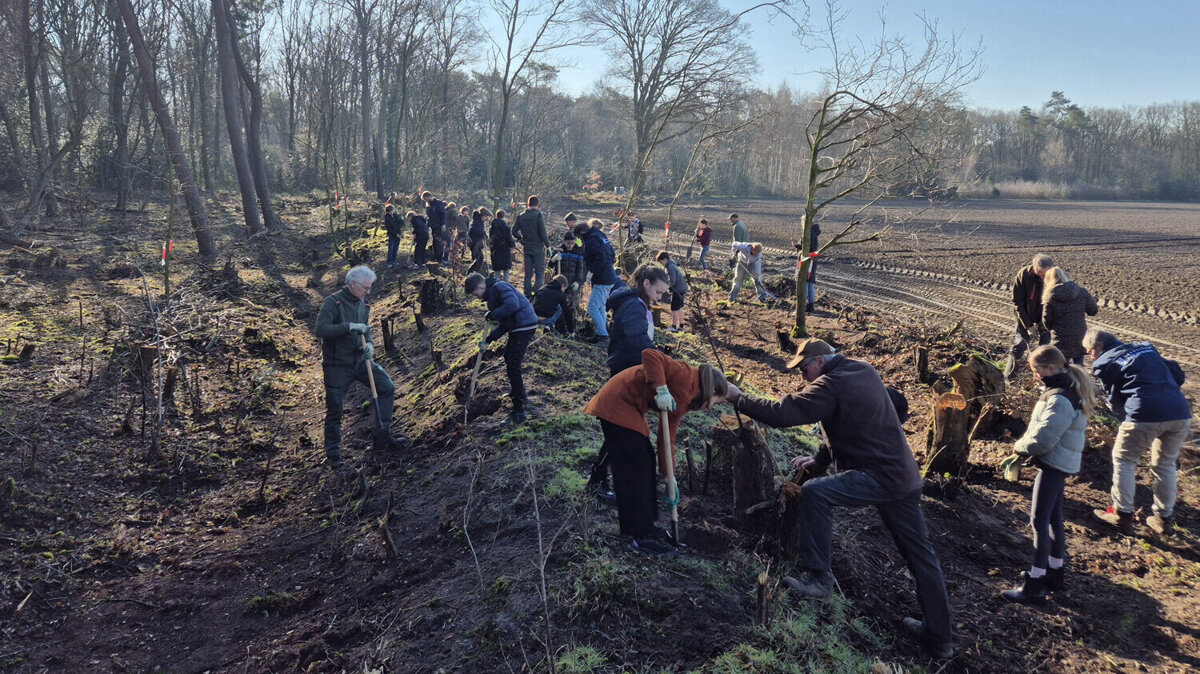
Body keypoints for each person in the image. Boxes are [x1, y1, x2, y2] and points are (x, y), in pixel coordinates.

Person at [724, 338, 954, 659]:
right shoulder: (861, 370)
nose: (803, 376)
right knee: (921, 557)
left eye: (804, 369)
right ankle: (941, 637)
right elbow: (844, 422)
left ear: (819, 362)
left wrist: (739, 398)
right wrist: (819, 462)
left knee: (816, 493)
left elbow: (784, 413)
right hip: (904, 477)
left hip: (880, 476)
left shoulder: (831, 383)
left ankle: (819, 578)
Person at [584, 348, 729, 558]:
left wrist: (669, 476)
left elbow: (666, 437)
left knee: (646, 461)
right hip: (618, 402)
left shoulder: (686, 401)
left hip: (631, 408)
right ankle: (639, 537)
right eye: (716, 401)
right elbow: (651, 354)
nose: (711, 407)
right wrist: (661, 389)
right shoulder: (685, 375)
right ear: (710, 389)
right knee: (635, 468)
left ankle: (647, 525)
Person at [999, 345, 1097, 604]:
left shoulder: (1060, 398)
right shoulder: (1066, 389)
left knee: (1038, 521)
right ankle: (1055, 573)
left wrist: (1020, 447)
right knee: (1053, 519)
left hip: (1053, 463)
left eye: (1035, 371)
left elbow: (1044, 438)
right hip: (1060, 461)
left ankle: (1035, 584)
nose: (1035, 376)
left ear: (1049, 369)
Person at [1086, 329, 1191, 535]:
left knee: (1124, 458)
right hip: (1179, 411)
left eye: (1089, 351)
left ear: (1098, 347)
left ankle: (1121, 514)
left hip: (1144, 412)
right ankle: (1163, 519)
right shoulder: (1145, 347)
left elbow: (1115, 399)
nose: (1090, 357)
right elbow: (1177, 374)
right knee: (1165, 465)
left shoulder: (1104, 362)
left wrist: (1124, 420)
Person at [314, 266, 408, 469]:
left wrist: (371, 345)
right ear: (352, 284)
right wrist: (348, 327)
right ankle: (334, 456)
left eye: (370, 288)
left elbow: (366, 330)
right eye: (365, 287)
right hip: (337, 365)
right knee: (335, 410)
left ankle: (382, 438)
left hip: (361, 362)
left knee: (387, 387)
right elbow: (320, 329)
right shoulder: (333, 302)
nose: (368, 292)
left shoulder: (364, 303)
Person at [465, 272, 538, 425]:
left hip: (524, 325)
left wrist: (493, 314)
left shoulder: (500, 287)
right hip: (517, 327)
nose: (476, 296)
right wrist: (490, 339)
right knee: (508, 358)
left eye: (475, 293)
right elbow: (505, 323)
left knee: (513, 365)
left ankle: (519, 411)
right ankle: (520, 393)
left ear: (481, 286)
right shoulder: (492, 297)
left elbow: (513, 306)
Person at [606, 264, 669, 376]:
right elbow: (637, 338)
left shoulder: (639, 302)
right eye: (658, 292)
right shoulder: (634, 305)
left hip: (630, 364)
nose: (659, 298)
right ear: (646, 283)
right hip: (626, 367)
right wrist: (657, 356)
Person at [1004, 254, 1054, 381]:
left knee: (1044, 349)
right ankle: (1008, 376)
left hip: (1045, 316)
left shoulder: (1055, 276)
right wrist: (1028, 325)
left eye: (1045, 274)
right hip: (1025, 314)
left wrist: (1045, 323)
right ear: (1034, 267)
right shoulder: (1023, 275)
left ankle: (1042, 380)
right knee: (1020, 344)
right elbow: (1018, 302)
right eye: (1040, 274)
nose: (1043, 277)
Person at [1040, 267, 1099, 364]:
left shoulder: (1049, 297)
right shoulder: (1081, 291)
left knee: (1063, 367)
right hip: (1079, 335)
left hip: (1060, 338)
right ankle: (1080, 378)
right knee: (1079, 365)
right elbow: (1093, 310)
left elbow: (1047, 322)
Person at [577, 218, 620, 348]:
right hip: (608, 276)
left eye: (579, 236)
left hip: (603, 278)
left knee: (592, 307)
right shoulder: (601, 236)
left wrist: (592, 271)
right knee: (600, 307)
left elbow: (600, 256)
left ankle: (604, 336)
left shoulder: (592, 240)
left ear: (583, 231)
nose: (580, 239)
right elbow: (612, 255)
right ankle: (601, 332)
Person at [513, 195, 550, 297]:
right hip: (538, 247)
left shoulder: (521, 216)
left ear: (528, 204)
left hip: (527, 247)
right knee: (539, 273)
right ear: (537, 204)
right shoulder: (538, 215)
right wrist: (548, 245)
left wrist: (521, 239)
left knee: (528, 273)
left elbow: (513, 231)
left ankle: (527, 294)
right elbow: (543, 233)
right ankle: (537, 293)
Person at [656, 250, 687, 332]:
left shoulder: (671, 267)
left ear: (665, 259)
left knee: (674, 308)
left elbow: (671, 281)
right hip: (681, 288)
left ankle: (674, 327)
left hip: (678, 289)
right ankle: (681, 326)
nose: (660, 263)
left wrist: (664, 288)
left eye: (660, 261)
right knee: (679, 307)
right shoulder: (671, 265)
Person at [794, 221, 822, 312]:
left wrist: (798, 247)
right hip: (813, 261)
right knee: (810, 283)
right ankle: (810, 305)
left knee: (804, 281)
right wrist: (798, 246)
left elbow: (806, 249)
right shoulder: (813, 233)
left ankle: (803, 305)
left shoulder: (808, 233)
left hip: (807, 261)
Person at [489, 209, 516, 282]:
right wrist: (513, 245)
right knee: (506, 270)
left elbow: (490, 239)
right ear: (503, 216)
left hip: (495, 250)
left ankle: (496, 286)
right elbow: (509, 239)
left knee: (497, 270)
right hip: (504, 250)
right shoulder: (506, 227)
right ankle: (505, 286)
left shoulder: (491, 227)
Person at [422, 191, 448, 263]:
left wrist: (443, 224)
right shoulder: (429, 205)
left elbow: (443, 214)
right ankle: (436, 257)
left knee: (439, 242)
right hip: (433, 226)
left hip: (439, 226)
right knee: (435, 242)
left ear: (429, 196)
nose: (425, 201)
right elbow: (430, 216)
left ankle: (439, 259)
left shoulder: (438, 204)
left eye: (425, 199)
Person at [467, 207, 489, 275]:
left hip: (477, 242)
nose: (486, 218)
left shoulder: (480, 222)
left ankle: (474, 272)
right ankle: (471, 272)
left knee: (479, 258)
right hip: (474, 242)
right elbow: (474, 230)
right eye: (485, 217)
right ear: (482, 216)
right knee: (478, 258)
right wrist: (483, 233)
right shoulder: (476, 222)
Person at [383, 204, 404, 268]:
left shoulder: (396, 216)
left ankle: (394, 261)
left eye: (392, 211)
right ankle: (389, 262)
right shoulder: (387, 218)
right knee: (391, 248)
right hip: (392, 235)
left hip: (398, 233)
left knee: (396, 248)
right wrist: (395, 234)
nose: (391, 212)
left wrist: (401, 220)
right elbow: (389, 228)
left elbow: (401, 224)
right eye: (389, 211)